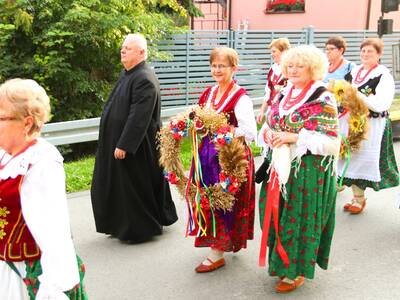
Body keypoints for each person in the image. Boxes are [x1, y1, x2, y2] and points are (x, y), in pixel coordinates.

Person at [258, 45, 340, 293]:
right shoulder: (284, 93)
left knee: (298, 219)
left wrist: (292, 138)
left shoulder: (323, 97)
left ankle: (294, 271)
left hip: (307, 172)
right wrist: (269, 135)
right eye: (289, 65)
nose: (292, 70)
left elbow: (332, 142)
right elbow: (269, 124)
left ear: (313, 69)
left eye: (299, 66)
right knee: (275, 216)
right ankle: (280, 263)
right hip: (279, 168)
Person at [0, 78, 87, 299]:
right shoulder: (5, 156)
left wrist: (52, 289)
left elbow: (54, 234)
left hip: (26, 274)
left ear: (27, 122)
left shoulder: (41, 163)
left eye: (1, 118)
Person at [91, 33, 178, 243]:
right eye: (122, 47)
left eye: (128, 48)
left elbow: (139, 117)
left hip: (137, 146)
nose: (123, 50)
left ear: (141, 52)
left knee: (133, 189)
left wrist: (124, 145)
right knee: (116, 187)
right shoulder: (129, 74)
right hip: (118, 142)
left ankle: (139, 230)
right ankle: (119, 225)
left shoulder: (144, 78)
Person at [192, 47, 257, 272]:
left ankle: (217, 253)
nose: (217, 70)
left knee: (223, 201)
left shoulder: (241, 97)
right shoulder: (209, 93)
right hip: (207, 157)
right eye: (214, 65)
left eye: (222, 66)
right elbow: (199, 119)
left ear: (233, 68)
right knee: (209, 200)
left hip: (229, 158)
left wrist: (224, 130)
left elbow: (249, 132)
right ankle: (218, 244)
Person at [338, 38, 399, 214]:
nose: (365, 54)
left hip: (372, 125)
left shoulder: (383, 75)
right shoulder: (355, 71)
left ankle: (359, 199)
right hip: (350, 122)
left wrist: (357, 96)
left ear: (379, 55)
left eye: (370, 52)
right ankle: (357, 197)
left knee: (362, 161)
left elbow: (381, 103)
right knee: (349, 158)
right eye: (363, 51)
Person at [256, 38, 291, 124]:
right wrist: (261, 111)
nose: (271, 54)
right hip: (272, 111)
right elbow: (268, 92)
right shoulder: (273, 68)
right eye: (271, 52)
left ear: (284, 52)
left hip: (286, 113)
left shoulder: (291, 69)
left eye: (274, 51)